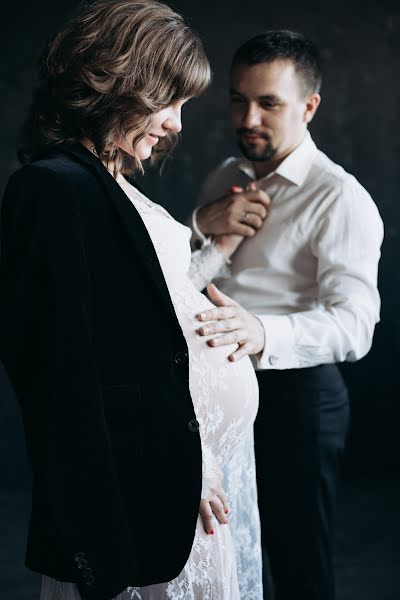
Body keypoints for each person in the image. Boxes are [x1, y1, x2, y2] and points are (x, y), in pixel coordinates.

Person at [0, 2, 262, 599]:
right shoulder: (52, 188)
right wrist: (171, 464)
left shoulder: (103, 183)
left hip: (191, 482)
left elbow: (142, 310)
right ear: (119, 81)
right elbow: (64, 374)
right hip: (150, 489)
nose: (176, 125)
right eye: (168, 101)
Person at [187, 30, 384, 600]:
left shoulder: (340, 198)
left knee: (298, 569)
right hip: (214, 402)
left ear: (309, 106)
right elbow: (182, 286)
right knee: (222, 555)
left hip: (297, 403)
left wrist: (260, 332)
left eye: (268, 102)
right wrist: (204, 225)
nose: (247, 117)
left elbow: (355, 325)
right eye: (237, 98)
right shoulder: (222, 178)